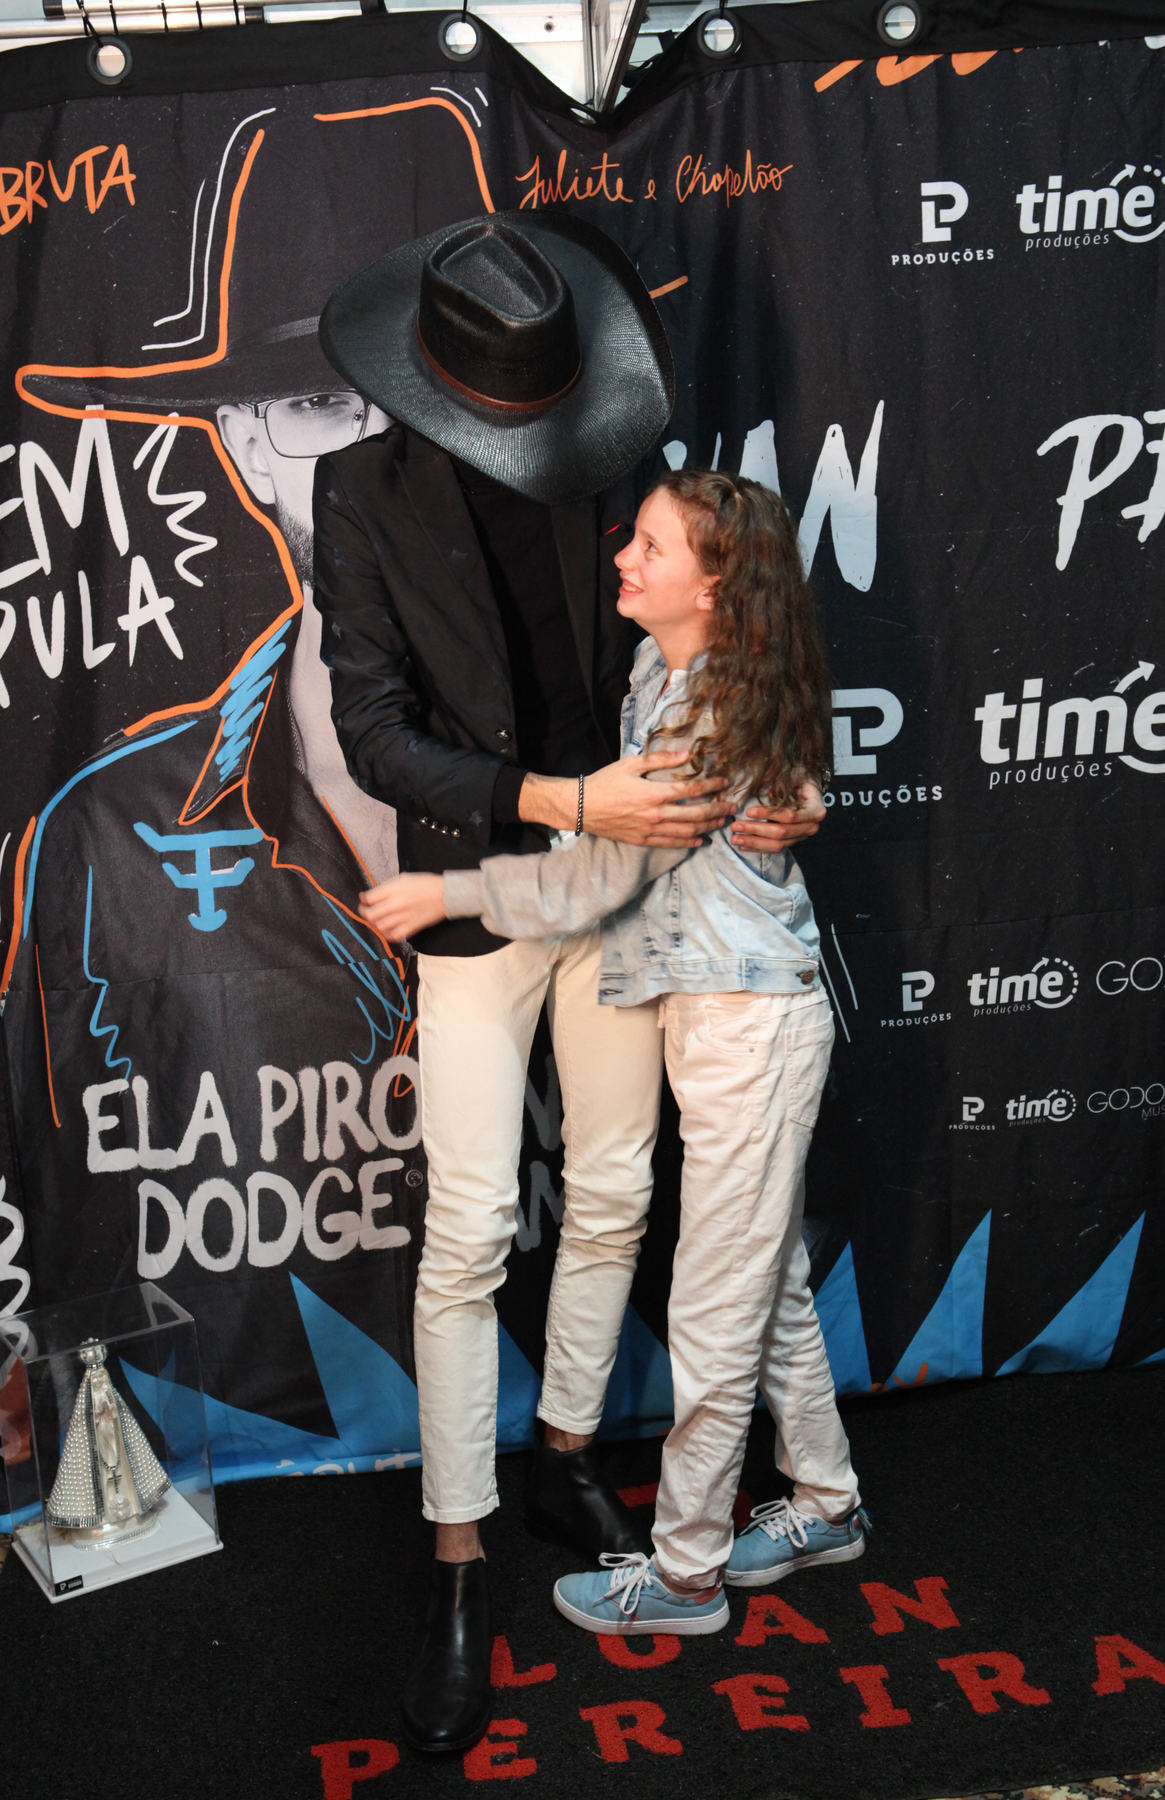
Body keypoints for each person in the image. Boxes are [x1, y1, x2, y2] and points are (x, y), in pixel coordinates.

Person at [313, 216, 825, 1746]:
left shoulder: (613, 458)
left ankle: (562, 1453)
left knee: (610, 1193)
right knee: (471, 1232)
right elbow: (374, 734)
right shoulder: (359, 493)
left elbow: (727, 652)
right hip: (487, 883)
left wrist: (777, 786)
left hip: (626, 892)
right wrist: (557, 798)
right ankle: (457, 1562)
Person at [361, 468, 869, 1638]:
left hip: (750, 1028)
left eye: (648, 547)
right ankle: (828, 1500)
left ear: (717, 586)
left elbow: (602, 873)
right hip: (707, 1018)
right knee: (767, 1280)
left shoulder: (710, 711)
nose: (621, 560)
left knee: (717, 1307)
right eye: (629, 538)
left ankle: (686, 1573)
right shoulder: (656, 670)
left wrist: (450, 890)